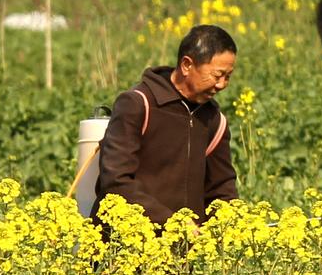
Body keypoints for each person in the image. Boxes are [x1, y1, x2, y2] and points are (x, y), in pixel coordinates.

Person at [90, 24, 239, 232]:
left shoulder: (214, 120)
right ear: (187, 65)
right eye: (217, 75)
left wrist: (229, 227)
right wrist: (172, 222)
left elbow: (222, 189)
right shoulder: (137, 105)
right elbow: (116, 182)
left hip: (182, 255)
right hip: (124, 247)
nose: (222, 84)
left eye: (228, 77)